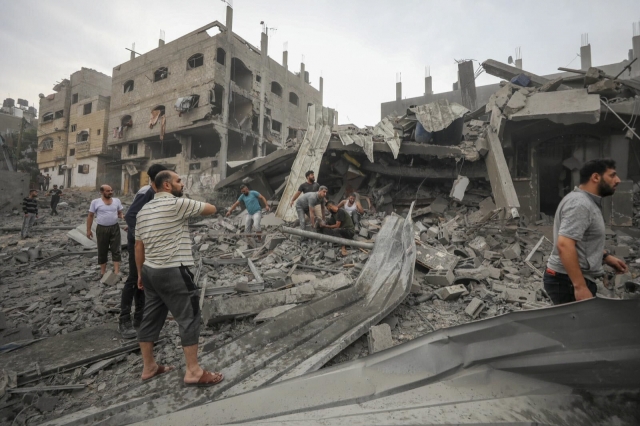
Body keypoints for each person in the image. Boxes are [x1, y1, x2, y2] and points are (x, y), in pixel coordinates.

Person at [135, 170, 223, 386]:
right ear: (166, 185)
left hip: (150, 271)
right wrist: (188, 201)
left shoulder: (143, 210)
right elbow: (211, 209)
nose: (181, 184)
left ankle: (149, 367)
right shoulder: (177, 204)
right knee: (189, 316)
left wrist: (139, 274)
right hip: (173, 269)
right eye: (178, 180)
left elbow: (139, 245)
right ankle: (193, 371)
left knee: (151, 316)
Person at [545, 159, 628, 305]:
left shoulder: (586, 202)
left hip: (568, 279)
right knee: (575, 327)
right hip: (568, 281)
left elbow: (582, 241)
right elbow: (564, 245)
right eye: (612, 175)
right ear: (595, 177)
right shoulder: (580, 204)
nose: (618, 180)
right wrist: (580, 287)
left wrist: (606, 257)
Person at [119, 164, 167, 339]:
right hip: (139, 243)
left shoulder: (155, 192)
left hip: (146, 242)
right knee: (134, 278)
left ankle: (139, 318)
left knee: (144, 279)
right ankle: (124, 320)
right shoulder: (147, 191)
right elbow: (131, 215)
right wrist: (141, 235)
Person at [87, 185, 124, 278]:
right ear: (102, 192)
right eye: (108, 191)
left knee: (116, 249)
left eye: (111, 190)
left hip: (114, 227)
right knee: (102, 250)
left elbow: (119, 213)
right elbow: (90, 216)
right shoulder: (95, 202)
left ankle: (116, 271)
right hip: (102, 229)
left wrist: (122, 216)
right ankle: (103, 272)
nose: (110, 192)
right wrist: (88, 230)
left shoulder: (117, 201)